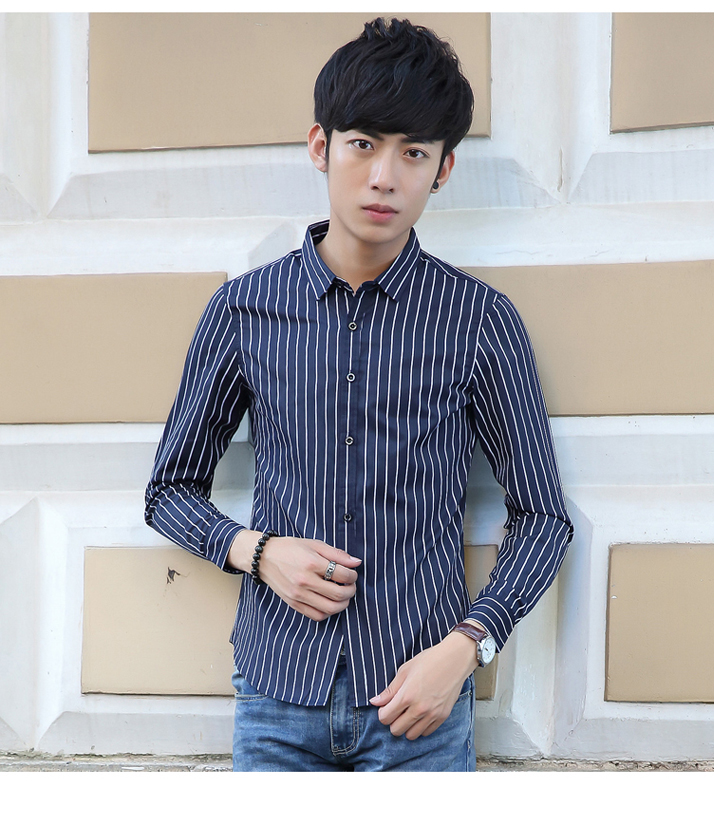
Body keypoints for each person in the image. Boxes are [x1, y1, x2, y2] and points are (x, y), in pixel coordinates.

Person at [145, 17, 573, 772]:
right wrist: (259, 552)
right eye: (364, 144)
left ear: (442, 169)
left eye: (414, 153)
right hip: (277, 699)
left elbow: (543, 518)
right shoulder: (243, 310)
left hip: (419, 707)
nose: (384, 177)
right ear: (322, 146)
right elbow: (168, 491)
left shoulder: (479, 321)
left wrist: (468, 646)